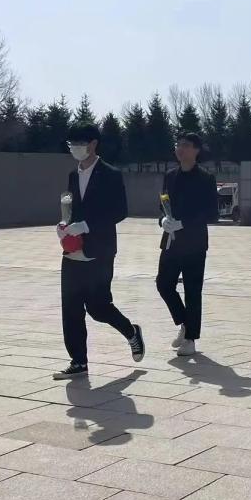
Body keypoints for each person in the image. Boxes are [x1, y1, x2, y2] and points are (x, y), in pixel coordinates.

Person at [53, 124, 144, 379]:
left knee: (98, 307)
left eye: (79, 144)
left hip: (100, 250)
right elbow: (71, 209)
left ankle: (131, 332)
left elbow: (120, 211)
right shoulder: (73, 176)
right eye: (71, 144)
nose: (74, 148)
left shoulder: (110, 174)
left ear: (93, 144)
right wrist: (64, 225)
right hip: (73, 251)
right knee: (71, 307)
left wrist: (88, 225)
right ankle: (78, 362)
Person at [157, 132, 219, 357]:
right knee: (163, 284)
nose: (180, 148)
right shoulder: (170, 176)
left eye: (185, 145)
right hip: (171, 241)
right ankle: (184, 322)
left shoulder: (206, 178)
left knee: (193, 291)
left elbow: (212, 213)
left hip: (194, 243)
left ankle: (191, 338)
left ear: (196, 150)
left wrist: (184, 223)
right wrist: (163, 221)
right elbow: (162, 205)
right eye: (178, 144)